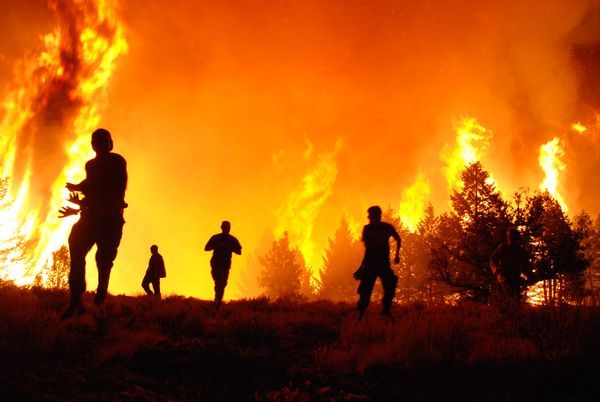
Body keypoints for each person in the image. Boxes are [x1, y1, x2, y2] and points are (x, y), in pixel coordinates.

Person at [59, 128, 127, 318]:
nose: (103, 144)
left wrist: (84, 199)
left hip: (111, 220)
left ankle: (101, 291)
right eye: (99, 141)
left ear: (111, 143)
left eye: (106, 141)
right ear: (93, 146)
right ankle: (75, 301)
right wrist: (79, 189)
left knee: (103, 260)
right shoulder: (91, 165)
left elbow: (114, 188)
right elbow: (91, 184)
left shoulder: (117, 161)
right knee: (77, 249)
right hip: (90, 217)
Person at [353, 206, 401, 319]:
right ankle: (361, 313)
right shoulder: (368, 229)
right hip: (371, 264)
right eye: (370, 215)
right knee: (365, 289)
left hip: (382, 264)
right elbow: (368, 249)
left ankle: (386, 309)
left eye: (371, 215)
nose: (369, 217)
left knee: (390, 283)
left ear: (377, 216)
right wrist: (362, 267)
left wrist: (397, 255)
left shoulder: (386, 227)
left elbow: (398, 238)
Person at [204, 221, 242, 307]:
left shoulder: (232, 240)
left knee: (223, 283)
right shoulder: (216, 238)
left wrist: (230, 248)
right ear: (222, 228)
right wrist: (217, 245)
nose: (227, 229)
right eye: (225, 227)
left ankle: (218, 300)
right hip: (216, 264)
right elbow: (206, 248)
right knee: (219, 282)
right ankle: (218, 301)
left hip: (225, 265)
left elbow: (239, 252)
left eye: (228, 228)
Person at [490, 227, 531, 302]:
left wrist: (529, 276)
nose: (510, 238)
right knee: (505, 297)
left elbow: (525, 266)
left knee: (514, 299)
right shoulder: (503, 248)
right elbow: (493, 260)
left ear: (516, 237)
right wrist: (497, 271)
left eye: (512, 236)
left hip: (515, 277)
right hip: (504, 276)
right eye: (509, 236)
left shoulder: (520, 251)